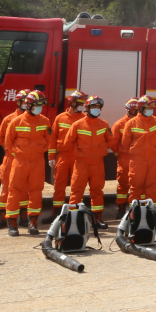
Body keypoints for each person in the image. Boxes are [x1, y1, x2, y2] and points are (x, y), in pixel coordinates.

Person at [62, 95, 118, 227]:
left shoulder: (104, 124)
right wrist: (79, 153)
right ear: (87, 108)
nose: (96, 110)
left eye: (98, 107)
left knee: (97, 191)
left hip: (98, 164)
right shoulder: (77, 125)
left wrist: (101, 148)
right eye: (93, 107)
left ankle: (97, 219)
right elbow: (68, 143)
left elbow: (111, 140)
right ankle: (74, 220)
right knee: (77, 192)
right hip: (81, 164)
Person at [2, 91, 52, 236]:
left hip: (37, 161)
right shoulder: (16, 122)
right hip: (20, 161)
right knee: (14, 190)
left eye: (41, 105)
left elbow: (49, 140)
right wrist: (18, 155)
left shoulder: (45, 121)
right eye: (37, 105)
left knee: (36, 191)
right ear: (28, 105)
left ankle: (33, 222)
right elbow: (8, 142)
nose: (40, 107)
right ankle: (12, 222)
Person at [48, 90, 87, 218]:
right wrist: (51, 157)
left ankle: (75, 213)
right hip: (63, 157)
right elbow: (53, 138)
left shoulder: (84, 119)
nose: (82, 106)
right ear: (72, 103)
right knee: (59, 185)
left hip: (78, 157)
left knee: (77, 186)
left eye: (83, 104)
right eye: (79, 103)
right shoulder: (60, 118)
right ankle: (56, 213)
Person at [120, 96, 156, 206]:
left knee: (151, 186)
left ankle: (151, 211)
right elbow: (125, 143)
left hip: (153, 159)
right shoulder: (131, 123)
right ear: (141, 108)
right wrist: (137, 151)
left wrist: (152, 148)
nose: (151, 110)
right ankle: (134, 211)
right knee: (136, 186)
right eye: (148, 108)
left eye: (152, 108)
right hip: (137, 160)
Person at [0, 88, 29, 225]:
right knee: (7, 189)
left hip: (24, 159)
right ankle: (3, 218)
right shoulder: (9, 119)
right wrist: (13, 148)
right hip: (10, 159)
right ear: (18, 102)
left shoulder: (34, 120)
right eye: (24, 102)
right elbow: (0, 138)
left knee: (24, 189)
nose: (27, 105)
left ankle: (24, 218)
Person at [110, 97, 140, 218]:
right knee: (123, 184)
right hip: (124, 158)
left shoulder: (142, 122)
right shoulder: (119, 124)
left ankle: (135, 209)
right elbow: (114, 143)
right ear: (128, 110)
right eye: (134, 110)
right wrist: (120, 155)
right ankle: (121, 209)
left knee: (137, 185)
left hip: (138, 158)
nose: (136, 112)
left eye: (137, 109)